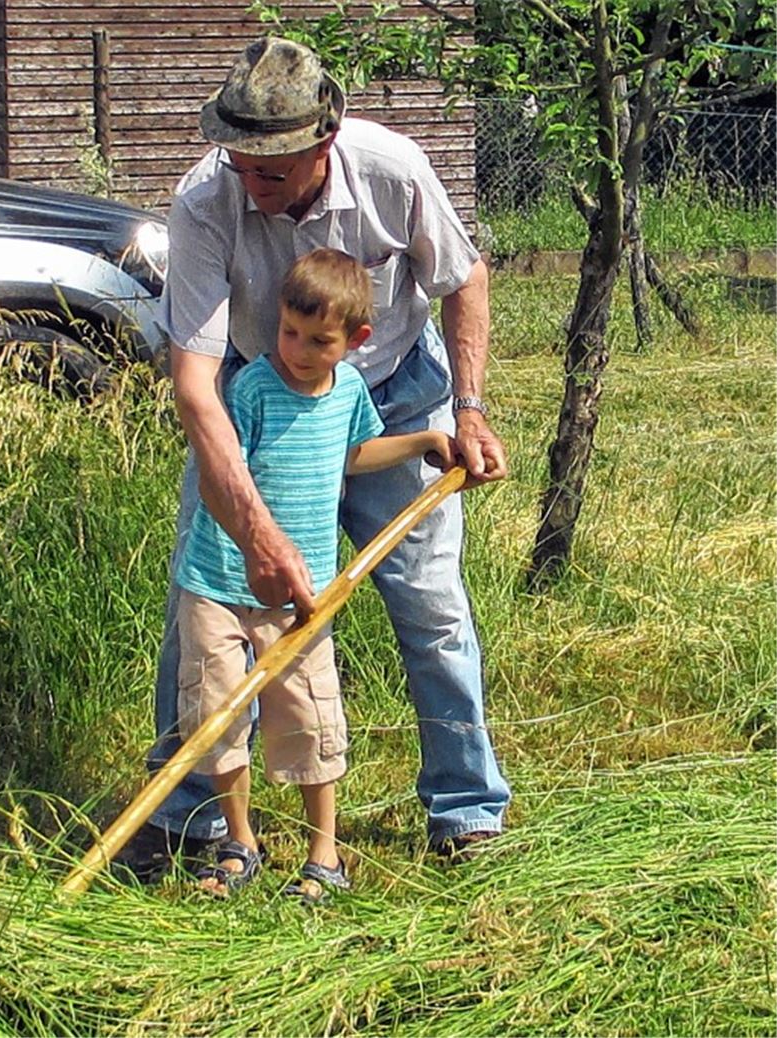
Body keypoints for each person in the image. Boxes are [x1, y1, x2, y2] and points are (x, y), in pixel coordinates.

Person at [118, 35, 510, 883]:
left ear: (322, 146)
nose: (248, 181)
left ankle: (465, 808)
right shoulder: (204, 202)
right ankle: (189, 820)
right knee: (204, 604)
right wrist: (255, 534)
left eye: (270, 168)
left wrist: (467, 412)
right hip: (254, 409)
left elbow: (463, 279)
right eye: (238, 161)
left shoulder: (392, 171)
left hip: (392, 397)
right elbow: (195, 383)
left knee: (432, 608)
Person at [178, 248, 455, 901]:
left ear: (355, 341)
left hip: (303, 595)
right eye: (289, 333)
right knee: (217, 712)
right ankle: (239, 840)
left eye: (318, 340)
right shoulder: (252, 390)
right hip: (219, 580)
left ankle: (323, 853)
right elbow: (224, 472)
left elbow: (353, 454)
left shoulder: (350, 393)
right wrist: (247, 547)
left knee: (310, 715)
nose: (298, 350)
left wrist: (423, 443)